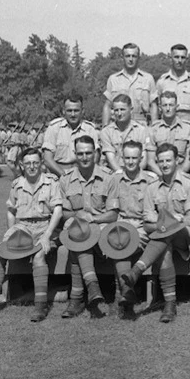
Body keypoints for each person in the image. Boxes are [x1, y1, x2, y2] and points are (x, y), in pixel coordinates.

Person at [0, 147, 63, 322]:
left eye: (36, 163)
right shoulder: (17, 184)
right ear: (22, 165)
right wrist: (11, 232)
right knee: (1, 251)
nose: (32, 167)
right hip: (22, 227)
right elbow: (11, 211)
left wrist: (47, 236)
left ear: (41, 164)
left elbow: (58, 211)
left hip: (44, 226)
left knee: (39, 256)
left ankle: (41, 305)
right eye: (28, 163)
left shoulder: (51, 182)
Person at [121, 143, 190, 322]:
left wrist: (164, 222)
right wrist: (171, 220)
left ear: (177, 160)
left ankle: (138, 269)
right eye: (161, 161)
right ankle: (169, 305)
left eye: (168, 160)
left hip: (187, 237)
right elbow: (147, 225)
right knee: (165, 245)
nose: (165, 165)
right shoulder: (152, 187)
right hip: (165, 238)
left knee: (166, 233)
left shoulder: (189, 182)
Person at [58, 135, 118, 318]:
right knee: (78, 233)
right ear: (75, 154)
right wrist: (78, 215)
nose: (84, 157)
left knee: (82, 235)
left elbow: (113, 214)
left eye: (88, 153)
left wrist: (93, 219)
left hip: (100, 229)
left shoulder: (108, 178)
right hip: (76, 228)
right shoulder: (66, 179)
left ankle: (77, 299)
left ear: (96, 154)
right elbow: (64, 213)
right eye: (81, 153)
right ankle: (92, 288)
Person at [106, 140, 158, 319]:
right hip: (121, 222)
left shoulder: (151, 180)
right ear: (121, 158)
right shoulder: (115, 179)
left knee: (123, 243)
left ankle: (123, 295)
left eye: (134, 158)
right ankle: (126, 295)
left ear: (141, 157)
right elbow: (112, 209)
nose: (130, 162)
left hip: (142, 225)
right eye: (127, 158)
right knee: (117, 240)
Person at [41, 94, 100, 178]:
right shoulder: (54, 128)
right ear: (63, 111)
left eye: (76, 111)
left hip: (84, 175)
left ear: (82, 111)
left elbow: (95, 156)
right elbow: (47, 159)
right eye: (69, 111)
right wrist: (65, 176)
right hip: (57, 175)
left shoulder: (90, 129)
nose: (73, 114)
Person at [102, 43, 158, 126]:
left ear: (138, 58)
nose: (131, 59)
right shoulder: (113, 79)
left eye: (134, 56)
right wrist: (105, 127)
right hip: (118, 125)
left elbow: (153, 106)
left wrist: (155, 127)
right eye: (127, 56)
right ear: (122, 58)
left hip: (141, 124)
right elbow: (108, 105)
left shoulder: (148, 78)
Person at [146, 91, 190, 177]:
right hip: (160, 174)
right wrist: (164, 176)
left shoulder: (188, 128)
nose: (168, 109)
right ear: (160, 108)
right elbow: (151, 161)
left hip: (183, 173)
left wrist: (178, 176)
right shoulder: (153, 129)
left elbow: (189, 159)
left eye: (171, 105)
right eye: (164, 105)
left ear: (177, 107)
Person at [100, 94, 150, 173]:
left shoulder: (141, 130)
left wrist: (133, 175)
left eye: (122, 109)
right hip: (113, 173)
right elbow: (111, 159)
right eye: (116, 110)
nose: (119, 114)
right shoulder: (106, 132)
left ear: (131, 110)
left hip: (137, 173)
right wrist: (123, 175)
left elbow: (143, 159)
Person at [155, 44, 190, 124]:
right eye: (176, 57)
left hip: (188, 127)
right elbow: (156, 108)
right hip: (167, 127)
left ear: (186, 59)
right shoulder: (162, 82)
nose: (180, 61)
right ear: (171, 59)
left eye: (183, 57)